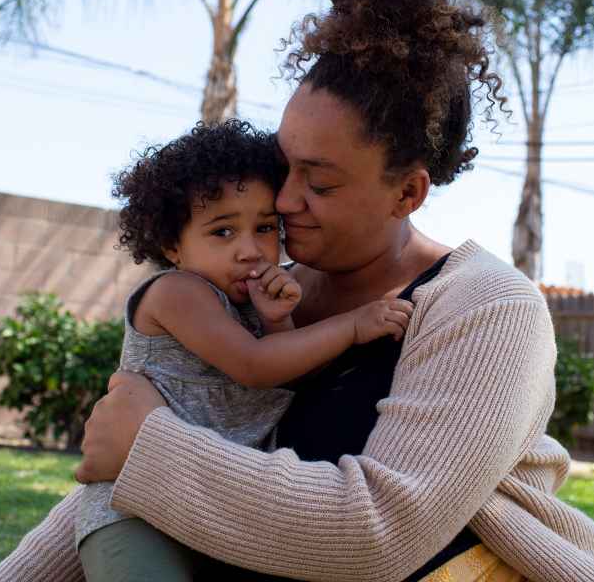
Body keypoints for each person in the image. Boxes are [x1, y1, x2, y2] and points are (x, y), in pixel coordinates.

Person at [0, 0, 594, 582]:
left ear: (408, 193)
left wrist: (145, 449)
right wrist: (137, 454)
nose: (285, 201)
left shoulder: (486, 309)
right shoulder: (256, 294)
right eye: (284, 166)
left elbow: (378, 533)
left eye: (319, 183)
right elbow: (140, 481)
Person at [72, 120, 414, 580]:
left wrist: (276, 321)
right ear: (173, 245)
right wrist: (351, 326)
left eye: (266, 228)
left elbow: (291, 382)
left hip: (210, 509)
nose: (250, 250)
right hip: (132, 515)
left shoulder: (250, 304)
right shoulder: (177, 293)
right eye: (223, 233)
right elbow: (255, 368)